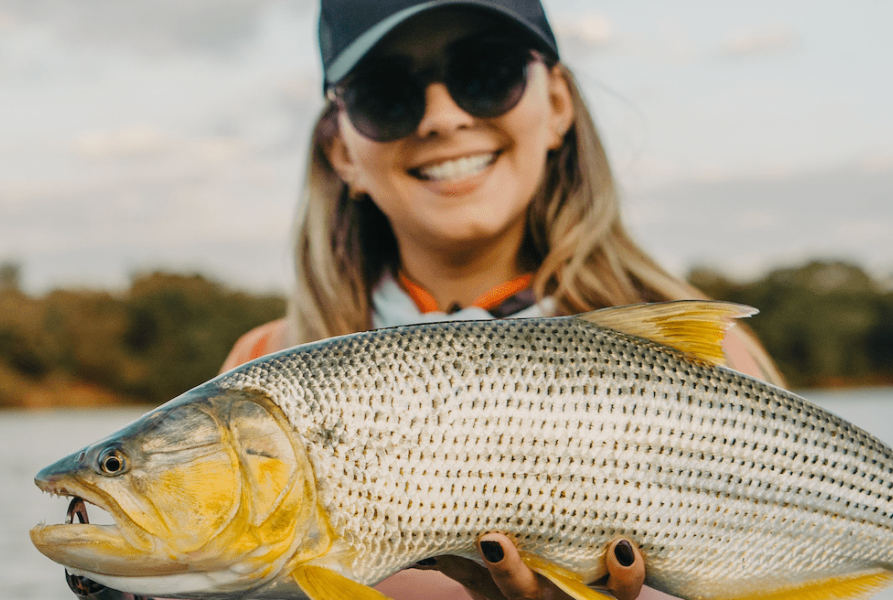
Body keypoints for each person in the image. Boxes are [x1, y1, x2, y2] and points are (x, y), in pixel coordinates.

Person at [221, 1, 786, 599]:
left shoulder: (710, 355)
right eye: (384, 92)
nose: (441, 117)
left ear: (558, 105)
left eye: (487, 73)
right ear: (341, 151)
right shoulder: (262, 366)